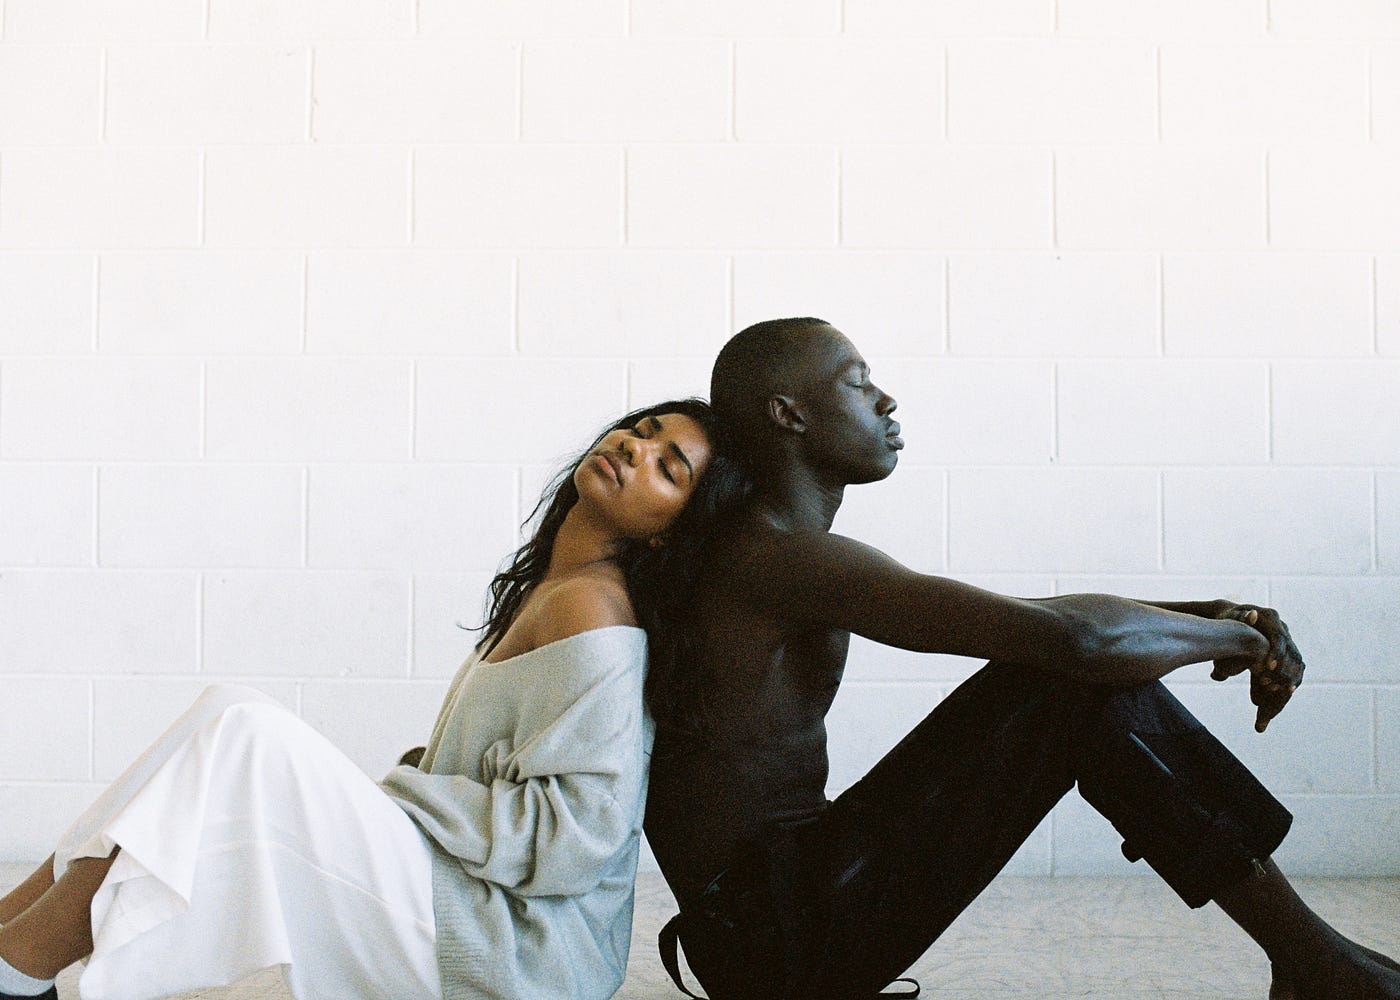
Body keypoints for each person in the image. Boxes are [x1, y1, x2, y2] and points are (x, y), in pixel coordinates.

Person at [645, 318, 1400, 1000]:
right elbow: (1076, 640)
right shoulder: (778, 558)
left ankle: (1315, 964)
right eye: (858, 381)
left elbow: (1045, 625)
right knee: (1067, 684)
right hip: (770, 944)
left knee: (1060, 674)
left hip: (770, 924)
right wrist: (1242, 639)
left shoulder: (769, 550)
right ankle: (1320, 966)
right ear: (789, 414)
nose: (886, 400)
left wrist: (1210, 615)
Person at [0, 398, 742, 1000]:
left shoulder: (597, 613)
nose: (636, 448)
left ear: (669, 535)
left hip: (517, 957)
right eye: (644, 430)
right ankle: (11, 942)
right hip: (460, 896)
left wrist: (404, 800)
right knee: (225, 712)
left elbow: (573, 841)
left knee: (246, 735)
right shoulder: (555, 588)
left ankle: (17, 965)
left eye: (667, 468)